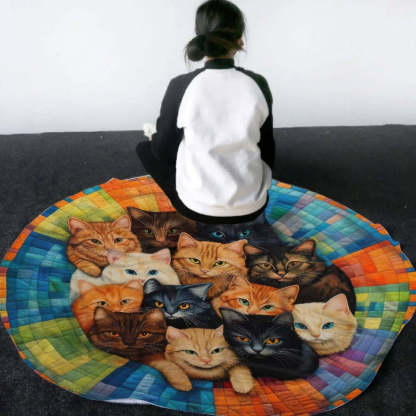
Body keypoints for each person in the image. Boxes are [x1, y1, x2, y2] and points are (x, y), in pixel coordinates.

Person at [136, 0, 275, 224]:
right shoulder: (258, 84)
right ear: (240, 40)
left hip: (196, 208)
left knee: (145, 148)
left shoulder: (181, 85)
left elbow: (164, 152)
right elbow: (267, 149)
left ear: (199, 36)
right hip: (252, 206)